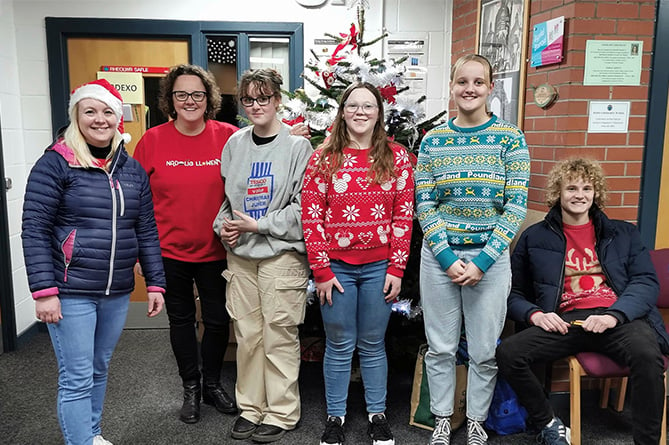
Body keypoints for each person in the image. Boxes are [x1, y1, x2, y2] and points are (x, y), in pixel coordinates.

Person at [22, 79, 166, 445]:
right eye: (90, 111)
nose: (99, 119)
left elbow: (146, 229)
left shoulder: (131, 170)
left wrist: (155, 282)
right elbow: (34, 229)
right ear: (76, 116)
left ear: (119, 119)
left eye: (107, 112)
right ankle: (79, 441)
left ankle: (93, 434)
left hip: (116, 290)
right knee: (77, 376)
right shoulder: (55, 164)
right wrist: (44, 291)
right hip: (70, 290)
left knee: (99, 368)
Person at [496, 158, 669, 445]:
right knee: (510, 353)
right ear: (558, 193)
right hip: (566, 321)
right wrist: (535, 315)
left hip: (615, 318)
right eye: (571, 188)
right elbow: (512, 293)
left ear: (595, 193)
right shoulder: (534, 237)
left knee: (648, 357)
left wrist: (614, 315)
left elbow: (645, 282)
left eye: (587, 188)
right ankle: (549, 423)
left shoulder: (622, 233)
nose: (579, 195)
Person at [415, 53, 530, 445]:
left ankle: (477, 420)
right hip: (439, 258)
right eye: (462, 82)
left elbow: (515, 206)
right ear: (451, 87)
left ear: (490, 88)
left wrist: (481, 262)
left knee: (483, 350)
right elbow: (425, 203)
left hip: (491, 260)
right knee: (441, 348)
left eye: (478, 82)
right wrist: (447, 259)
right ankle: (443, 418)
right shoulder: (433, 140)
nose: (469, 89)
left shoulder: (510, 138)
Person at [301, 82, 415, 445]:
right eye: (353, 106)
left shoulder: (397, 158)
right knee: (338, 343)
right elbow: (311, 216)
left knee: (372, 342)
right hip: (335, 269)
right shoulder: (323, 158)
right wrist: (320, 270)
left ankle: (377, 415)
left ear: (379, 112)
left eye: (368, 106)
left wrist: (397, 269)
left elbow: (404, 216)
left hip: (379, 268)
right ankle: (335, 417)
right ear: (343, 111)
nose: (360, 112)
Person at [133, 64, 239, 424]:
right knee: (180, 322)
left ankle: (212, 384)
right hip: (168, 253)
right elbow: (137, 202)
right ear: (170, 100)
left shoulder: (228, 136)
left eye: (198, 94)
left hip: (217, 251)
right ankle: (190, 388)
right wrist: (139, 252)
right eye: (182, 94)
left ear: (208, 98)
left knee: (216, 320)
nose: (190, 101)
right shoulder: (152, 141)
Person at [213, 68, 313, 444]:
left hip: (280, 256)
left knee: (278, 335)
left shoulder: (297, 146)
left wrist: (260, 225)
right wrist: (221, 225)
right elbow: (228, 201)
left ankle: (282, 413)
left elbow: (305, 209)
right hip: (240, 255)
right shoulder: (235, 144)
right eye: (249, 99)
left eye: (264, 98)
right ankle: (251, 408)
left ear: (277, 100)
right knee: (248, 334)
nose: (256, 105)